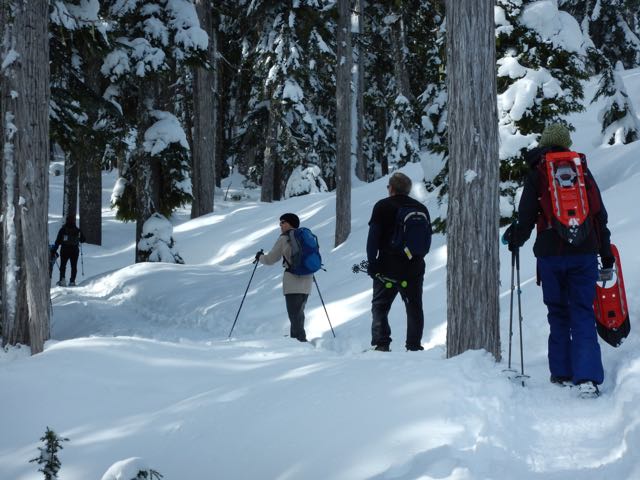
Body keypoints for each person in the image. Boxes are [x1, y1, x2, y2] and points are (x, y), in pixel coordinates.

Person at [503, 123, 614, 398]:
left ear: (544, 143)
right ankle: (587, 378)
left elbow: (527, 216)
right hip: (584, 253)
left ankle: (562, 372)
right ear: (567, 143)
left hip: (550, 255)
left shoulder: (539, 172)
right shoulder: (581, 170)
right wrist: (606, 253)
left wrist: (515, 238)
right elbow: (599, 215)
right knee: (583, 312)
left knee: (558, 311)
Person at [366, 172, 430, 352]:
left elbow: (373, 238)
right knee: (414, 305)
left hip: (388, 264)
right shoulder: (420, 208)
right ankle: (414, 346)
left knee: (380, 305)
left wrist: (372, 262)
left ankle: (382, 343)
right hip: (414, 265)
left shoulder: (382, 206)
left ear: (392, 188)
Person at [256, 213, 313, 342]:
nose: (280, 225)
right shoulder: (304, 236)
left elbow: (271, 259)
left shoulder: (285, 238)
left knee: (294, 315)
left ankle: (300, 341)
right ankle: (296, 339)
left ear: (290, 223)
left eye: (283, 222)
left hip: (292, 281)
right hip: (307, 280)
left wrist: (260, 257)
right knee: (298, 313)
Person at [53, 216, 85, 287]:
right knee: (73, 266)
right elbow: (83, 240)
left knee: (63, 265)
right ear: (74, 221)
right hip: (75, 250)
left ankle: (62, 280)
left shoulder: (63, 230)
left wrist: (54, 250)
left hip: (64, 250)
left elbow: (58, 241)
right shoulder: (77, 230)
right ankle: (72, 281)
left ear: (66, 221)